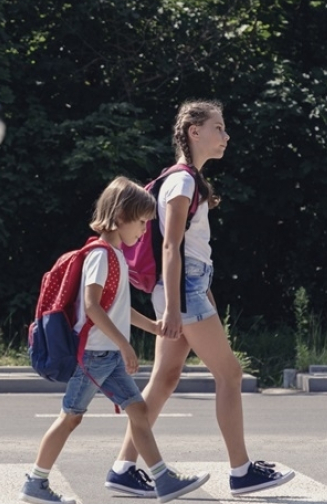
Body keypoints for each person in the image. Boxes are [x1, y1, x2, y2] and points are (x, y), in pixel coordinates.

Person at [116, 100, 295, 497]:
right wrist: (179, 308)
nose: (226, 136)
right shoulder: (182, 182)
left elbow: (188, 252)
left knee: (164, 378)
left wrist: (196, 295)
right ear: (194, 131)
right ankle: (242, 471)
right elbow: (171, 248)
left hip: (187, 287)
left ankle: (123, 467)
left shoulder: (184, 180)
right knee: (230, 375)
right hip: (183, 289)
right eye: (219, 128)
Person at [19, 177, 210, 504]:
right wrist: (124, 344)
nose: (143, 232)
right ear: (120, 216)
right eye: (141, 222)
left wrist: (153, 327)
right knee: (71, 417)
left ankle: (163, 480)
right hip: (94, 355)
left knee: (137, 410)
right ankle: (35, 483)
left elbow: (118, 307)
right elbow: (93, 306)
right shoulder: (100, 255)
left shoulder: (115, 255)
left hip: (104, 355)